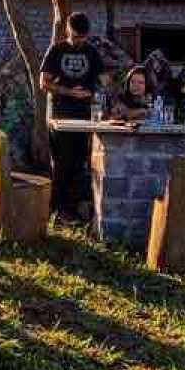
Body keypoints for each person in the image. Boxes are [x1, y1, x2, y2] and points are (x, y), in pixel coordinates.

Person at [39, 12, 106, 222]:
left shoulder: (92, 52)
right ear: (68, 30)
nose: (79, 41)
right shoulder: (57, 50)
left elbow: (103, 81)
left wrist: (100, 95)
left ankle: (74, 208)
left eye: (83, 38)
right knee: (61, 162)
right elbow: (44, 83)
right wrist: (70, 92)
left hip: (85, 116)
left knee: (79, 162)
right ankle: (58, 209)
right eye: (76, 37)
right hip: (61, 115)